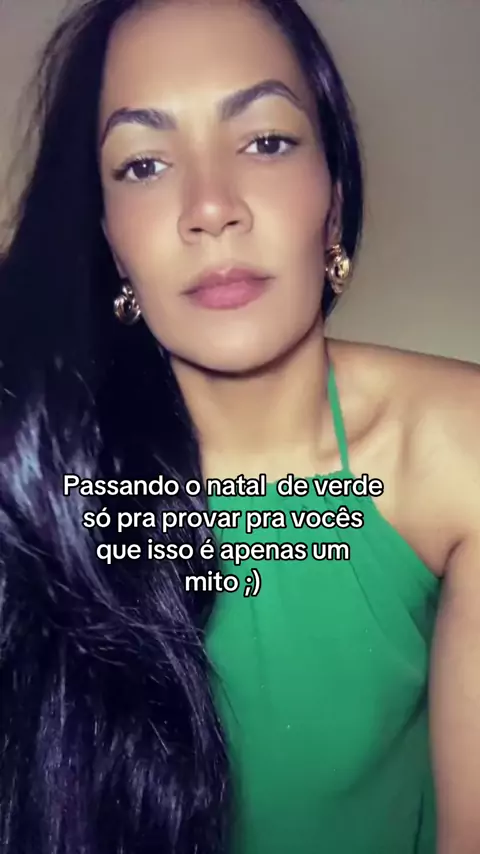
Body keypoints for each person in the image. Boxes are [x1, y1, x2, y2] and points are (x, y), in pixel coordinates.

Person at [0, 0, 478, 852]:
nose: (211, 207)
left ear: (334, 198)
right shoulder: (44, 489)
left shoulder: (455, 443)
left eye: (266, 142)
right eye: (144, 164)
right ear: (111, 242)